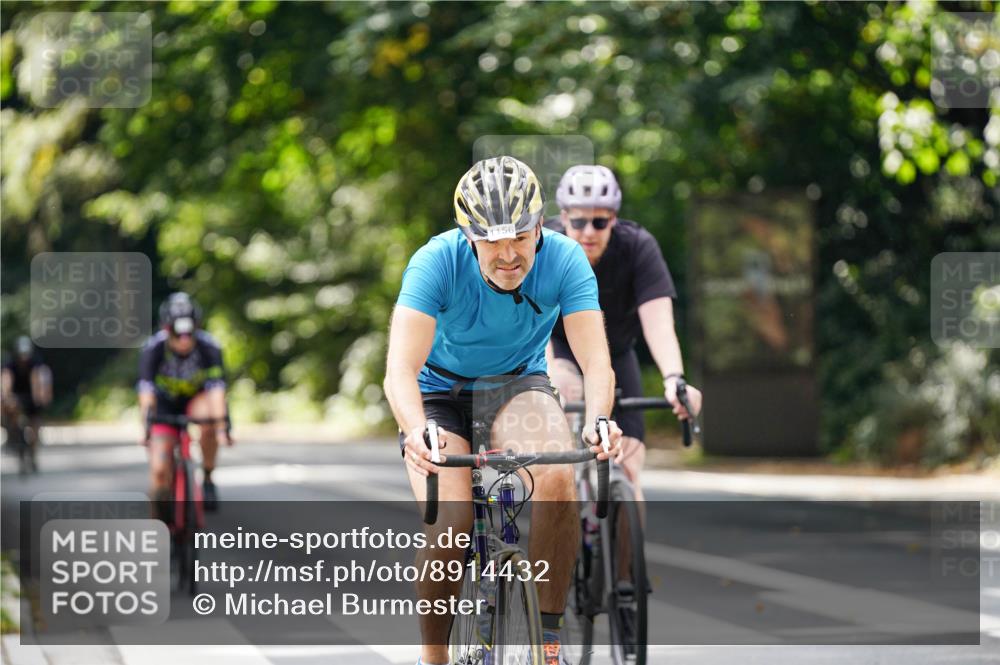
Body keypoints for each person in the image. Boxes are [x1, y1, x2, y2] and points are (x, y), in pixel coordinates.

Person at [383, 156, 624, 665]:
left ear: (540, 225)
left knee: (558, 477)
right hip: (439, 394)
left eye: (520, 235)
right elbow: (399, 369)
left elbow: (595, 359)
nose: (509, 254)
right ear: (468, 236)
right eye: (492, 240)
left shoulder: (565, 259)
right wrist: (415, 431)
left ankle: (548, 642)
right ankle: (434, 660)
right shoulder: (435, 262)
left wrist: (600, 417)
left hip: (518, 383)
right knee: (452, 522)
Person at [545, 165, 704, 503]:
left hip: (617, 353)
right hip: (559, 348)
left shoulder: (637, 246)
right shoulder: (546, 245)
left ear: (614, 219)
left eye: (600, 222)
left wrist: (674, 379)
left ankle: (627, 550)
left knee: (629, 476)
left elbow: (659, 322)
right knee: (564, 387)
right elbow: (530, 319)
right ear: (563, 217)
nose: (589, 231)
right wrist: (548, 371)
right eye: (578, 222)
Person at [138, 292, 231, 515]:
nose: (184, 339)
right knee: (160, 472)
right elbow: (146, 393)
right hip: (164, 403)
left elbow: (216, 390)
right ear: (166, 329)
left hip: (195, 400)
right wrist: (146, 429)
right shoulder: (153, 348)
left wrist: (221, 429)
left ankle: (207, 477)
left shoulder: (210, 346)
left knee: (210, 420)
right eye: (177, 333)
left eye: (189, 332)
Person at [1, 336, 52, 469]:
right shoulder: (10, 364)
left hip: (32, 395)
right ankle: (12, 435)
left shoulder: (35, 363)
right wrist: (7, 397)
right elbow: (6, 381)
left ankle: (33, 454)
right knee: (11, 411)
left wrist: (40, 397)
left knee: (35, 425)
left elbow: (38, 380)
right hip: (17, 395)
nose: (23, 357)